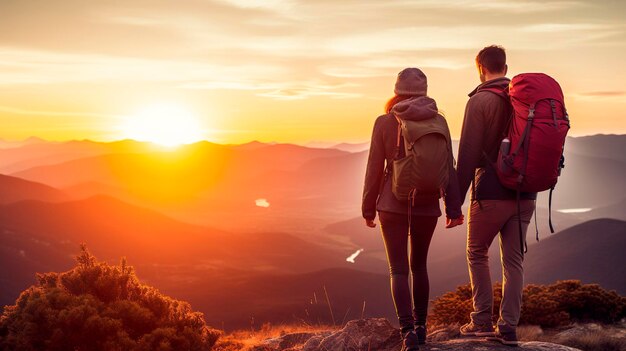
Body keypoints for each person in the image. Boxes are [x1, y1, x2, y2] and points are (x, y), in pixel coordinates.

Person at [362, 67, 463, 351]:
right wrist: (454, 209)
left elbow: (374, 168)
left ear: (396, 92)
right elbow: (449, 167)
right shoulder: (439, 120)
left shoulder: (384, 121)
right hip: (428, 204)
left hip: (391, 205)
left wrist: (368, 209)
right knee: (419, 266)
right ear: (425, 92)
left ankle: (407, 331)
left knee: (398, 269)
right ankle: (421, 327)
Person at [456, 45, 536, 346]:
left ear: (480, 68)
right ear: (505, 66)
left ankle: (481, 322)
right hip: (526, 194)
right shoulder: (523, 100)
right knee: (514, 261)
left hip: (490, 191)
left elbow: (466, 156)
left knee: (477, 252)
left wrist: (454, 202)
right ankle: (509, 328)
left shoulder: (480, 101)